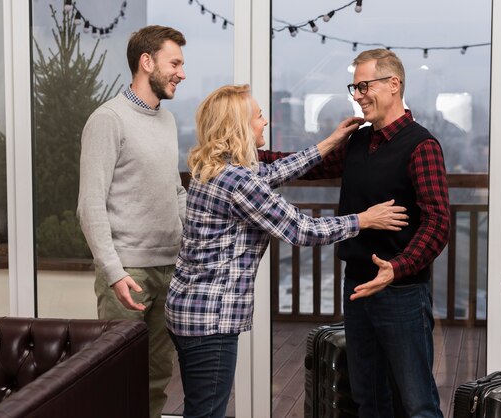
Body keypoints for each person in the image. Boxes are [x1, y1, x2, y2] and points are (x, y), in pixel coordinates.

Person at [164, 84, 409, 418]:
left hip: (189, 308)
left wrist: (330, 143)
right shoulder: (238, 182)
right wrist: (363, 220)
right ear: (240, 125)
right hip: (210, 318)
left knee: (200, 407)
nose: (264, 122)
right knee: (206, 412)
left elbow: (275, 171)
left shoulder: (216, 169)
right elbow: (300, 229)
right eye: (259, 116)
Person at [260, 48, 450, 418]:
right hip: (357, 287)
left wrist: (396, 268)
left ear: (393, 84)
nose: (357, 95)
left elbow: (438, 223)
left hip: (401, 292)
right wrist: (245, 157)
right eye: (355, 87)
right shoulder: (359, 141)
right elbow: (304, 165)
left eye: (364, 86)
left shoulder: (421, 145)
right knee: (368, 398)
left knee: (418, 404)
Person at [77, 25, 187, 418]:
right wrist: (113, 272)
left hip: (169, 268)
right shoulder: (108, 120)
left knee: (157, 377)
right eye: (175, 62)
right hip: (128, 273)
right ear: (147, 62)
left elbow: (175, 191)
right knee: (119, 379)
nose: (181, 72)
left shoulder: (167, 121)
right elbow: (89, 206)